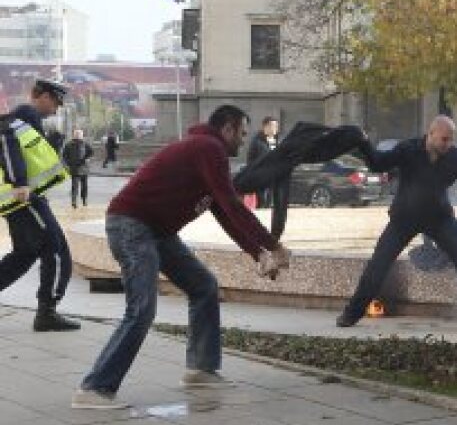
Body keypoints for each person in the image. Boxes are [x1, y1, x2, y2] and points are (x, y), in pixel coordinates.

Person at [73, 105, 292, 410]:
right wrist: (273, 245)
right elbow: (232, 204)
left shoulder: (205, 151)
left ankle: (201, 370)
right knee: (142, 310)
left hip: (156, 230)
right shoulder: (208, 148)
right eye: (241, 134)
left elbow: (225, 214)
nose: (243, 141)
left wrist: (259, 253)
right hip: (132, 225)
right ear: (227, 128)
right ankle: (95, 388)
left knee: (204, 286)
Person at [335, 115, 457, 331]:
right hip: (405, 218)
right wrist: (364, 143)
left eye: (451, 140)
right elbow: (378, 163)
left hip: (439, 218)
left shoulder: (455, 157)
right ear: (431, 134)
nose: (448, 144)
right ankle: (351, 314)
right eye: (444, 139)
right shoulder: (408, 149)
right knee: (378, 263)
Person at [0, 78, 82, 332]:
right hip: (25, 197)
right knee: (55, 249)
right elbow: (7, 141)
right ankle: (47, 312)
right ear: (44, 96)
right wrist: (20, 182)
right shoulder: (26, 114)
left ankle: (47, 311)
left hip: (21, 198)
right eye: (56, 102)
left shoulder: (25, 117)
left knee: (24, 254)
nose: (56, 109)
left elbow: (34, 156)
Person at [61, 128, 94, 208]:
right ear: (74, 136)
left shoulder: (85, 144)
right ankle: (74, 201)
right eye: (77, 135)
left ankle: (84, 199)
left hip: (84, 168)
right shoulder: (69, 145)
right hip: (74, 168)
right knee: (74, 186)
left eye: (79, 135)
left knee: (84, 186)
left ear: (82, 136)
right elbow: (64, 155)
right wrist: (68, 163)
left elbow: (91, 153)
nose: (78, 136)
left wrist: (87, 159)